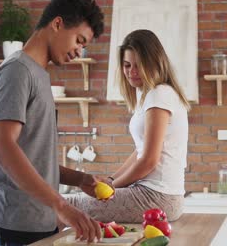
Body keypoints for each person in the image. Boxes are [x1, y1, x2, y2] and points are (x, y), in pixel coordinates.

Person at [0, 0, 104, 246]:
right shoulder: (17, 71)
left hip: (35, 225)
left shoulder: (39, 75)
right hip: (11, 226)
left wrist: (80, 179)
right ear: (57, 23)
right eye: (79, 40)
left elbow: (36, 160)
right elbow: (3, 148)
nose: (79, 51)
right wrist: (60, 205)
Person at [66, 29, 190, 223]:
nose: (131, 72)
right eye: (127, 65)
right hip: (158, 195)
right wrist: (111, 179)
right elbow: (140, 152)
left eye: (139, 66)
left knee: (67, 204)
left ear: (154, 63)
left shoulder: (159, 94)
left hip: (158, 197)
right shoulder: (149, 94)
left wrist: (112, 186)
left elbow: (149, 160)